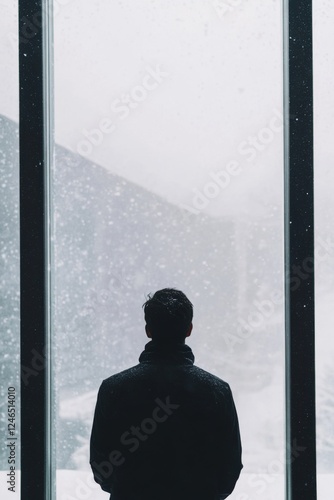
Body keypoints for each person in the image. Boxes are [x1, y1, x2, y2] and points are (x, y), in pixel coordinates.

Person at [90, 288, 243, 500]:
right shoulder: (217, 391)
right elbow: (229, 471)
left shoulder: (113, 389)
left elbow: (101, 469)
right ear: (189, 329)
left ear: (148, 330)